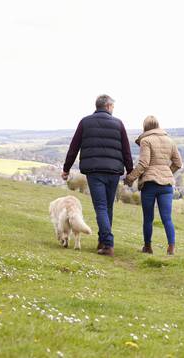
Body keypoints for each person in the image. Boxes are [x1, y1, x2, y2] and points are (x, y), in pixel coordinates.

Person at [62, 94, 133, 257]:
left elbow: (74, 147)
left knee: (101, 207)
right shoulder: (118, 124)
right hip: (114, 172)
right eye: (113, 107)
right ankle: (103, 241)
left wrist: (66, 169)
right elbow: (126, 150)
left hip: (94, 172)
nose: (113, 110)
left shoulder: (85, 122)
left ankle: (107, 243)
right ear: (108, 106)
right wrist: (130, 171)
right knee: (107, 207)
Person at [124, 116, 183, 255]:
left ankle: (148, 247)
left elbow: (144, 164)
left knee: (148, 218)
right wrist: (167, 172)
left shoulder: (146, 140)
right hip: (166, 185)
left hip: (150, 184)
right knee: (167, 218)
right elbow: (178, 163)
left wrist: (130, 178)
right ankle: (171, 247)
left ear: (145, 127)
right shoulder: (170, 141)